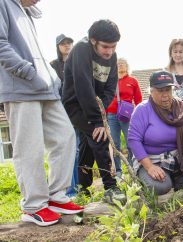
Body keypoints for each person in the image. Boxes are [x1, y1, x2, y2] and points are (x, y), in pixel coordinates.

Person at [0, 0, 83, 226]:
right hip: (20, 88)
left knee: (65, 136)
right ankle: (34, 206)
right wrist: (28, 72)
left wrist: (50, 79)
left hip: (45, 89)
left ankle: (56, 195)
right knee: (29, 147)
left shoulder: (26, 12)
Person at [62, 19, 125, 203]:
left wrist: (101, 111)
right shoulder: (81, 49)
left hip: (95, 106)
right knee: (99, 137)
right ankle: (111, 187)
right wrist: (98, 121)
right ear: (93, 40)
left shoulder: (111, 57)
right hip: (75, 104)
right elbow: (83, 87)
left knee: (87, 145)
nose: (109, 51)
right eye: (105, 47)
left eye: (113, 47)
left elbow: (110, 89)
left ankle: (83, 187)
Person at [128, 70, 183, 195]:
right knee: (160, 187)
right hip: (152, 159)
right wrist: (149, 167)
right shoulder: (142, 110)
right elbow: (133, 140)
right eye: (160, 91)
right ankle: (172, 179)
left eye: (168, 90)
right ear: (151, 91)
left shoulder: (180, 108)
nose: (165, 95)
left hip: (178, 157)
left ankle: (180, 176)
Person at [50, 34, 79, 197]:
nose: (67, 45)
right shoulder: (53, 65)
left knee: (76, 151)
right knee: (65, 150)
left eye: (69, 42)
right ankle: (68, 190)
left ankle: (74, 189)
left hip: (77, 112)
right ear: (58, 46)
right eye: (63, 43)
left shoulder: (78, 62)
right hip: (60, 112)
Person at [106, 58, 142, 175]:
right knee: (115, 143)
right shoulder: (111, 81)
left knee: (130, 141)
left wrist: (139, 116)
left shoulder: (132, 81)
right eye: (118, 64)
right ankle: (118, 171)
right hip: (112, 115)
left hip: (127, 115)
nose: (120, 65)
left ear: (127, 66)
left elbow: (138, 100)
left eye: (122, 64)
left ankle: (132, 168)